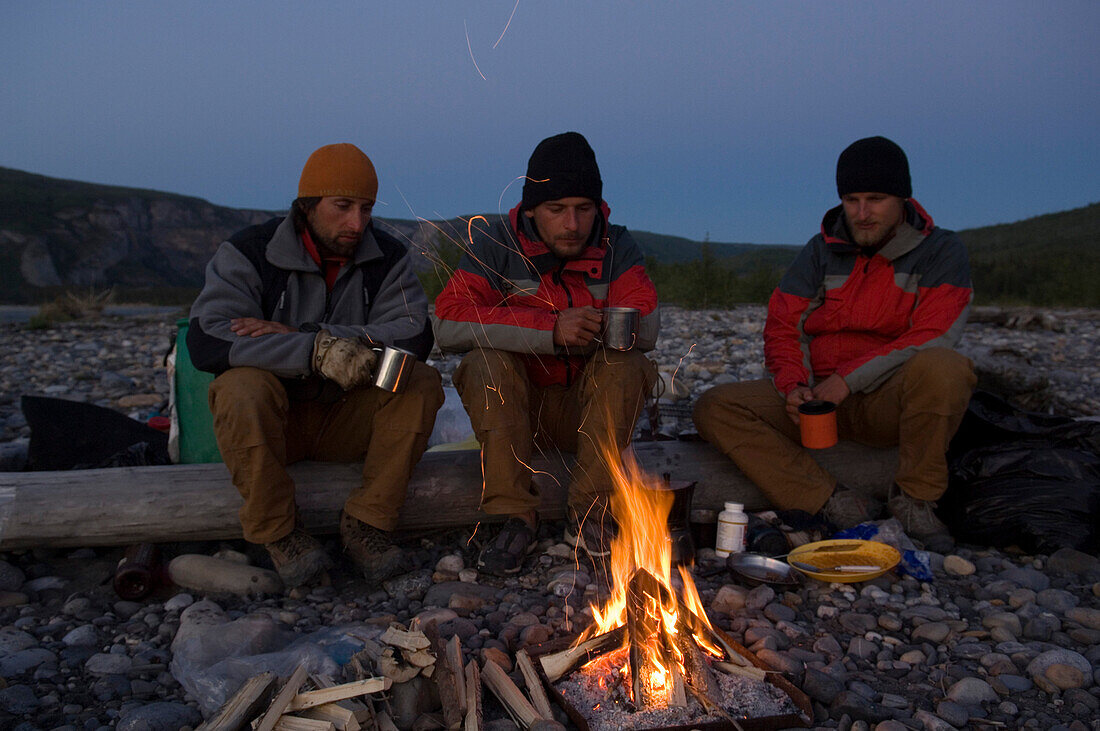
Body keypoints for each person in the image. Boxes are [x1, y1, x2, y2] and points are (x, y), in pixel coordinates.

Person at [693, 136, 976, 551]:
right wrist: (794, 386)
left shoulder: (940, 251)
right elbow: (783, 324)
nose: (862, 213)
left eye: (875, 199)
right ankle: (832, 500)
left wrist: (846, 381)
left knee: (945, 367)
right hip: (818, 402)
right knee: (715, 406)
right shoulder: (821, 250)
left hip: (886, 402)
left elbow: (933, 334)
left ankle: (916, 499)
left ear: (902, 198)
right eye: (852, 199)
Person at [187, 143, 444, 587]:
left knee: (418, 382)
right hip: (277, 425)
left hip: (346, 419)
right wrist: (314, 353)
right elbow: (208, 339)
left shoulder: (386, 256)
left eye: (365, 209)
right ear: (308, 205)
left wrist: (316, 337)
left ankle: (367, 525)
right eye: (342, 206)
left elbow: (414, 333)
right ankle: (280, 534)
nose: (356, 223)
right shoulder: (251, 252)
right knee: (239, 387)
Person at [433, 131, 659, 575]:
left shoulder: (618, 244)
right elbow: (447, 321)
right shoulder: (495, 243)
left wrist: (589, 325)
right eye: (557, 210)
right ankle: (515, 515)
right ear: (532, 209)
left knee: (627, 362)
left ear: (598, 208)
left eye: (583, 209)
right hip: (521, 415)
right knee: (484, 362)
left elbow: (647, 325)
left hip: (590, 413)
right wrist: (550, 330)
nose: (572, 224)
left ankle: (590, 514)